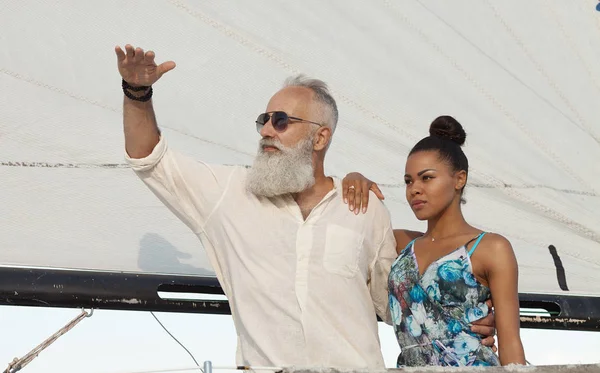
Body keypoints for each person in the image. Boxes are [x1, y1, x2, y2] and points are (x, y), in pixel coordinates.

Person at [114, 44, 496, 368]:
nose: (266, 129)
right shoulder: (227, 194)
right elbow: (150, 157)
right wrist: (136, 93)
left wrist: (467, 312)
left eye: (281, 121)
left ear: (320, 138)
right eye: (264, 119)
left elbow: (395, 299)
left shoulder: (365, 208)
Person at [342, 116, 526, 366]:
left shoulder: (490, 248)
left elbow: (511, 345)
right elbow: (346, 227)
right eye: (408, 181)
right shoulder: (399, 243)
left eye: (426, 177)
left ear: (459, 179)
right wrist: (354, 178)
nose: (414, 189)